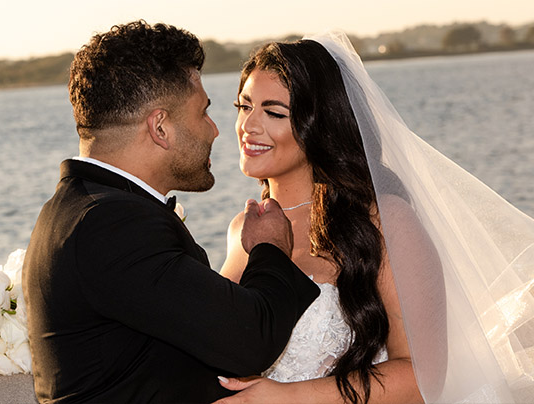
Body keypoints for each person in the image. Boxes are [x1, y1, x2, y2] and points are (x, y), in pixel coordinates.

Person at [217, 32, 534, 403]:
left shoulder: (384, 221)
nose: (248, 126)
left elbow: (423, 375)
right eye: (244, 106)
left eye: (273, 112)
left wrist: (286, 397)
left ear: (320, 124)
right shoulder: (243, 230)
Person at [22, 21, 320, 403]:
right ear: (160, 127)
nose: (216, 131)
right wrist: (271, 249)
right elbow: (249, 343)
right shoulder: (112, 225)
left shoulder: (78, 207)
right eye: (203, 113)